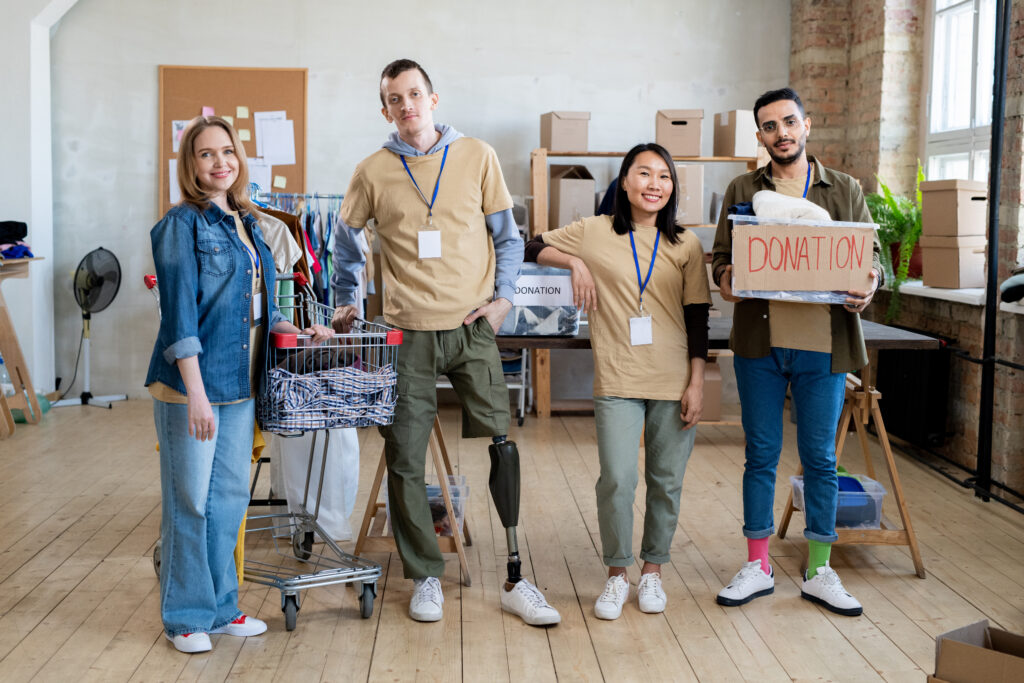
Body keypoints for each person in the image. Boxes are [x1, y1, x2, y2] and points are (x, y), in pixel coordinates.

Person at [331, 59, 560, 626]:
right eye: (394, 98)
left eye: (414, 94)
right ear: (384, 109)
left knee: (501, 446)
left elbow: (508, 237)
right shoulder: (372, 170)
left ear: (433, 99)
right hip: (406, 334)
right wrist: (347, 299)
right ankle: (425, 575)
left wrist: (505, 299)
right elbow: (346, 241)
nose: (406, 105)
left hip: (470, 328)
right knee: (405, 457)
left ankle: (514, 574)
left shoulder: (477, 156)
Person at [146, 116, 332, 653]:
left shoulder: (251, 223)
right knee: (190, 502)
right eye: (205, 154)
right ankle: (185, 617)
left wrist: (297, 329)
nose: (219, 162)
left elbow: (259, 312)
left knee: (228, 500)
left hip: (241, 385)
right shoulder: (181, 225)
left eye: (227, 151)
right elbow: (179, 316)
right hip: (192, 389)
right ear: (191, 166)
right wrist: (196, 393)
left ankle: (223, 607)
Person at [711, 88, 882, 617]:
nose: (780, 132)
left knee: (821, 461)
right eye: (768, 126)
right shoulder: (743, 187)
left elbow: (870, 256)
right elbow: (721, 259)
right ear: (760, 136)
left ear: (806, 125)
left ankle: (819, 570)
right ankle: (758, 565)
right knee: (760, 455)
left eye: (788, 122)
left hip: (823, 348)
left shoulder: (844, 188)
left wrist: (870, 281)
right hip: (761, 345)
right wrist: (729, 280)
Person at [524, 143, 711, 619]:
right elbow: (529, 243)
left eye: (664, 176)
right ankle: (616, 575)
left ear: (672, 187)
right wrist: (574, 262)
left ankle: (652, 572)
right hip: (618, 377)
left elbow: (697, 319)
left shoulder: (686, 243)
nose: (654, 184)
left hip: (673, 379)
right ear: (625, 182)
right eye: (643, 174)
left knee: (666, 481)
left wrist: (697, 382)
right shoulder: (593, 230)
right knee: (617, 481)